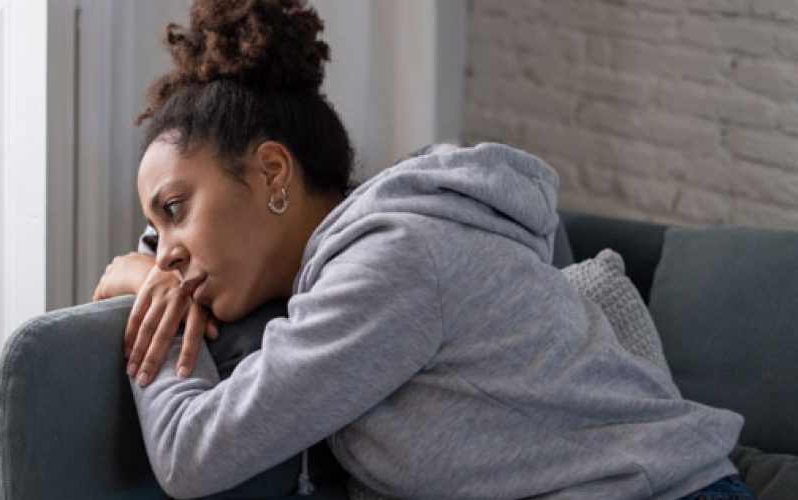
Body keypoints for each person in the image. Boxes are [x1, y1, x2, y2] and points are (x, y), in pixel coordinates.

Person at [91, 0, 752, 498]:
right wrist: (154, 262)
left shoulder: (392, 261)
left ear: (272, 173)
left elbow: (191, 454)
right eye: (154, 232)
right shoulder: (373, 253)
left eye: (175, 211)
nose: (167, 251)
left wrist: (154, 298)